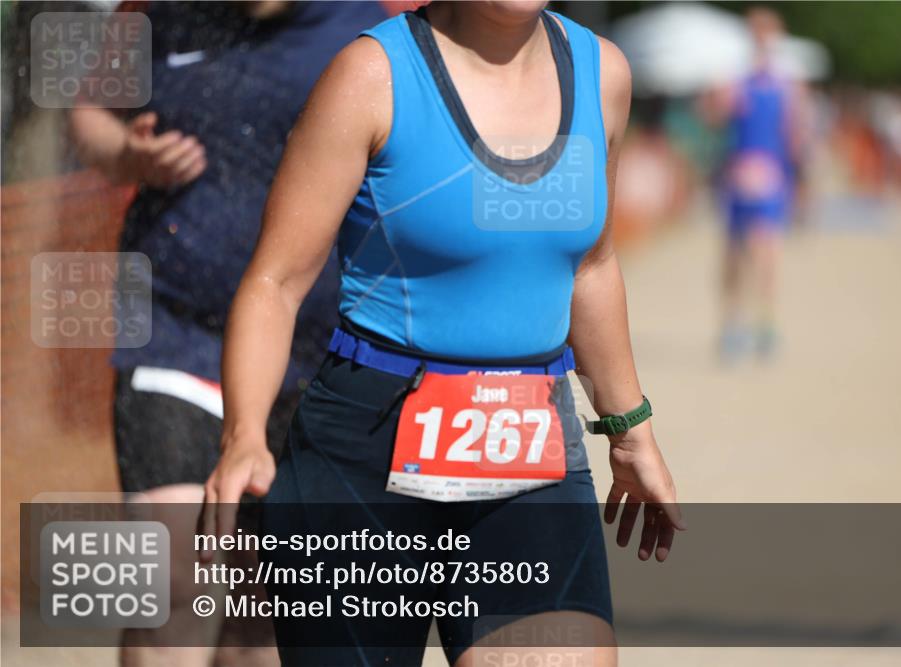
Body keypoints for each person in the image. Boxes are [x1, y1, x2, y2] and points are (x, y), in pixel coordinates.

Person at [202, 2, 684, 665]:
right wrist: (244, 436)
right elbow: (276, 281)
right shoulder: (371, 75)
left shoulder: (603, 73)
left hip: (529, 445)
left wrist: (631, 431)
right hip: (362, 462)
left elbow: (592, 267)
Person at [68, 1, 387, 665]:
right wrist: (125, 153)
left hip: (311, 353)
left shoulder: (363, 30)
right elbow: (87, 114)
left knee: (261, 611)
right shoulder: (163, 13)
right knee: (174, 581)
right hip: (174, 327)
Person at [708, 7, 807, 362]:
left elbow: (795, 137)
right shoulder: (736, 82)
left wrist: (798, 183)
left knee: (767, 254)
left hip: (772, 178)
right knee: (734, 256)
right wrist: (721, 103)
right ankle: (732, 322)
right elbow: (715, 122)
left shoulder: (788, 86)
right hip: (738, 177)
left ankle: (765, 323)